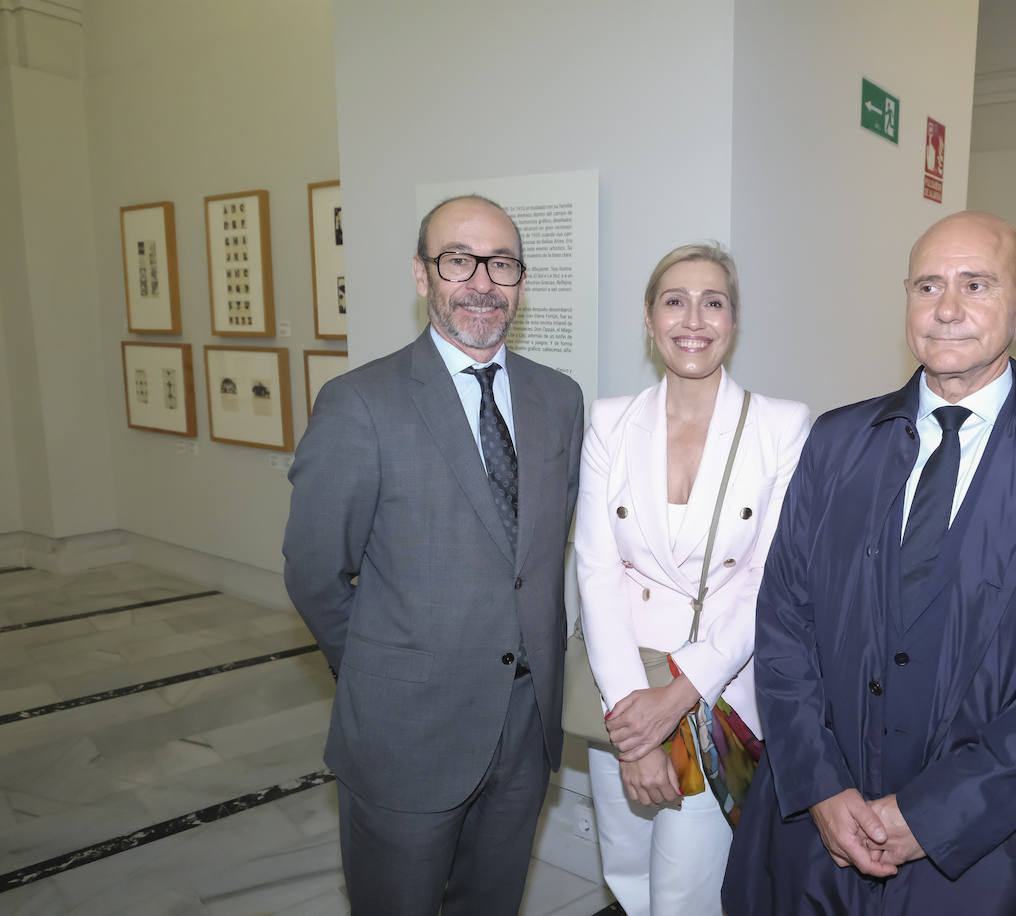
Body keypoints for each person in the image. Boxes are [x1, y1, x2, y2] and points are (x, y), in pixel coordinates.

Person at [722, 211, 1016, 914]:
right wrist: (820, 786)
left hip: (977, 851)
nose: (947, 310)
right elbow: (784, 622)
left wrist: (929, 817)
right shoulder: (838, 442)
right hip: (813, 831)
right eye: (927, 286)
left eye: (976, 284)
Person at [282, 195, 584, 915]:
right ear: (423, 276)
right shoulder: (361, 404)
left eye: (502, 263)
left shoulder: (559, 400)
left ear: (520, 280)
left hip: (522, 732)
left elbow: (535, 559)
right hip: (405, 735)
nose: (482, 282)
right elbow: (314, 571)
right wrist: (384, 672)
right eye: (459, 260)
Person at [575, 244, 809, 915]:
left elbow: (771, 581)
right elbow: (594, 571)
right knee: (627, 874)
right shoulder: (610, 422)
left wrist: (676, 699)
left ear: (733, 321)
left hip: (715, 696)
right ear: (649, 321)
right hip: (620, 687)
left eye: (714, 302)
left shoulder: (779, 426)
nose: (693, 318)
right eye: (674, 300)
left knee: (688, 892)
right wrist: (633, 716)